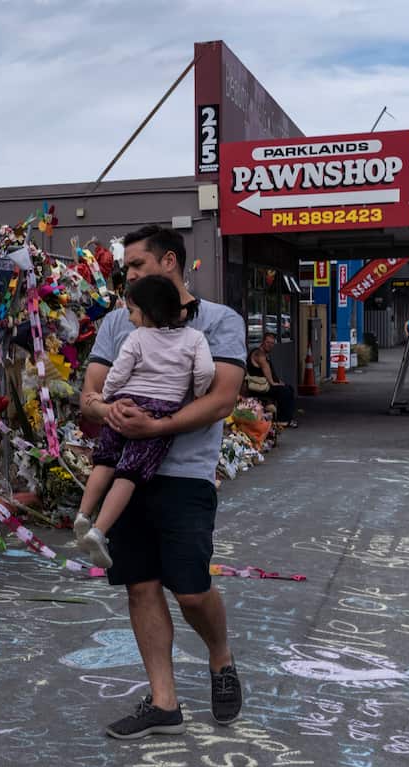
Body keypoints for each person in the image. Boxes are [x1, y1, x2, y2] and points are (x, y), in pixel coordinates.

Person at [80, 224, 245, 739]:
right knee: (141, 586)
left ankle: (220, 657)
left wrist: (157, 426)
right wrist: (112, 411)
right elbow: (90, 392)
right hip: (127, 471)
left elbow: (221, 397)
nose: (127, 275)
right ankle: (165, 703)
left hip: (184, 474)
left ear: (169, 262)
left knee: (191, 591)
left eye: (135, 266)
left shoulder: (218, 321)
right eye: (125, 268)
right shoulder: (117, 323)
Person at [74, 274, 215, 571]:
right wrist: (198, 392)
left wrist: (107, 399)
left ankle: (83, 514)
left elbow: (118, 371)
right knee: (129, 474)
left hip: (124, 403)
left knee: (105, 461)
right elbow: (204, 371)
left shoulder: (137, 337)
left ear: (150, 312)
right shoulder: (194, 338)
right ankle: (98, 531)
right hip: (157, 413)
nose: (130, 318)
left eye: (133, 312)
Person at [248, 332, 298, 427]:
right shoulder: (259, 354)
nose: (270, 345)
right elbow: (265, 367)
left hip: (265, 385)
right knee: (284, 391)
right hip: (259, 387)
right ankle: (282, 420)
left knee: (289, 388)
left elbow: (271, 372)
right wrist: (273, 383)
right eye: (268, 342)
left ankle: (288, 418)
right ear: (263, 342)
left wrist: (278, 381)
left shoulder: (265, 354)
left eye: (272, 343)